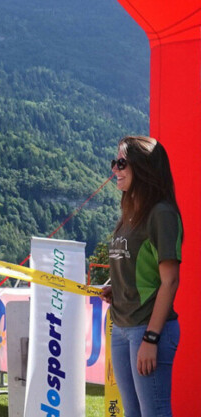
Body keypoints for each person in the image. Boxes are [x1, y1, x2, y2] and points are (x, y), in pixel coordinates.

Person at [100, 136, 182, 416]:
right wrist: (118, 288)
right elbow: (137, 266)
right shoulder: (129, 212)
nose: (115, 169)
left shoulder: (161, 213)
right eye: (115, 162)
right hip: (121, 326)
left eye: (122, 163)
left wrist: (151, 339)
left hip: (146, 329)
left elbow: (170, 281)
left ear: (143, 167)